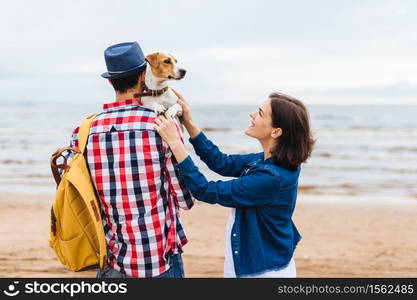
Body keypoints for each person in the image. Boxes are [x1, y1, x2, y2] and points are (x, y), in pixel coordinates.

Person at [65, 42, 194, 278]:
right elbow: (185, 198)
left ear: (110, 81)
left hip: (110, 259)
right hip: (158, 259)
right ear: (144, 75)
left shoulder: (83, 131)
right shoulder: (162, 124)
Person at [154, 91, 315, 278]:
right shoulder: (269, 161)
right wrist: (189, 122)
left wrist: (175, 143)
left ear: (276, 131)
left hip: (262, 271)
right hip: (255, 260)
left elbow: (205, 190)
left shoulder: (271, 178)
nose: (252, 115)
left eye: (260, 113)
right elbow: (222, 162)